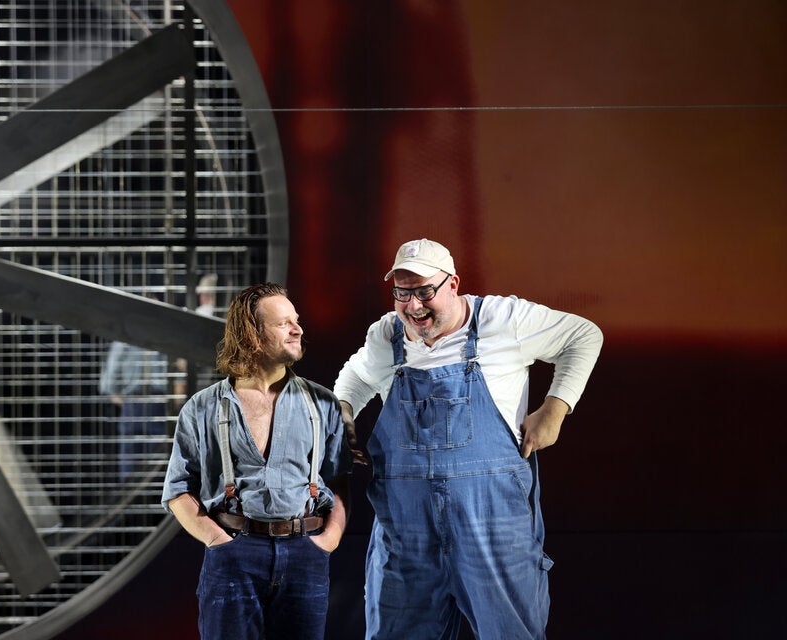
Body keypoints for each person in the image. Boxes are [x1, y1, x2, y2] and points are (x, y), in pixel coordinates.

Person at [334, 238, 603, 640]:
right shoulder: (387, 335)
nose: (413, 305)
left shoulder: (502, 319)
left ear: (453, 284)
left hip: (492, 523)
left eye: (425, 291)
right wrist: (343, 414)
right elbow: (356, 376)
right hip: (406, 531)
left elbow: (583, 335)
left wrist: (556, 408)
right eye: (402, 293)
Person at [162, 283, 352, 640]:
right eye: (283, 323)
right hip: (234, 552)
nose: (298, 329)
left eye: (296, 320)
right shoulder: (203, 408)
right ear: (252, 334)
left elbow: (339, 482)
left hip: (305, 553)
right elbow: (178, 490)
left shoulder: (323, 404)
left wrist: (329, 539)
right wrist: (218, 541)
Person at [99, 340, 169, 481]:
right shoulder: (166, 338)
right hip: (158, 404)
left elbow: (109, 386)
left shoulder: (122, 342)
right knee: (161, 466)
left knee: (131, 468)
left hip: (134, 405)